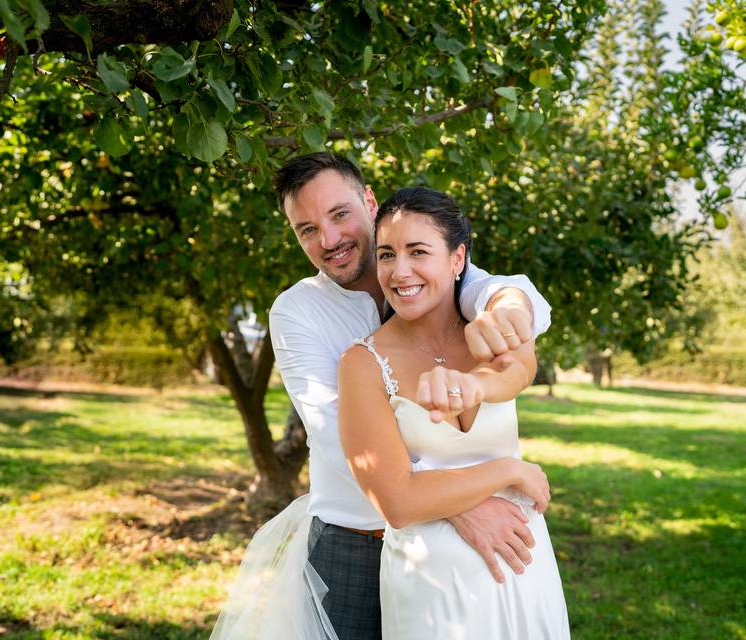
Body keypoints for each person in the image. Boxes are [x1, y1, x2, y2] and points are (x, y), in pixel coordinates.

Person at [208, 153, 552, 640]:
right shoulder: (296, 311)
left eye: (339, 214)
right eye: (306, 229)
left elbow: (505, 297)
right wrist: (461, 503)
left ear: (369, 203)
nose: (329, 240)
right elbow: (337, 437)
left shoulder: (427, 272)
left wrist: (509, 302)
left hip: (460, 557)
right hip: (356, 541)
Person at [338, 187, 568, 639]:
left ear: (457, 259)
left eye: (417, 252)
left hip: (524, 568)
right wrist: (508, 471)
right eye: (386, 254)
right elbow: (398, 502)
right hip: (430, 589)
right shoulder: (361, 364)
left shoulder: (491, 327)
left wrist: (475, 384)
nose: (399, 271)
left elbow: (519, 370)